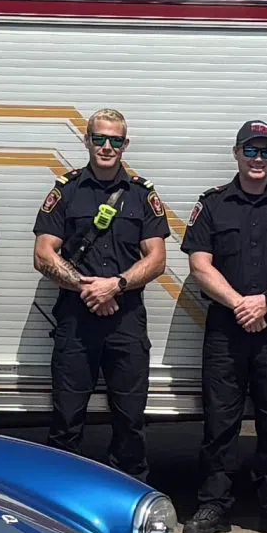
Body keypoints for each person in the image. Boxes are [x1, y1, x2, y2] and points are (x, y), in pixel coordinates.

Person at [180, 120, 267, 533]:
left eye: (266, 152)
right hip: (226, 328)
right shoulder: (213, 205)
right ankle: (212, 505)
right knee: (220, 422)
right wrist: (240, 303)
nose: (258, 160)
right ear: (236, 153)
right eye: (251, 151)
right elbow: (199, 264)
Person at [33, 110, 168, 475]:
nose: (107, 147)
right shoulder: (67, 190)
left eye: (115, 140)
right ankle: (59, 503)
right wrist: (87, 287)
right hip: (76, 319)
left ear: (125, 144)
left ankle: (129, 503)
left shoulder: (142, 194)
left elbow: (156, 258)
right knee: (66, 419)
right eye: (99, 139)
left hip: (125, 320)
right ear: (87, 140)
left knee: (130, 421)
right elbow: (43, 253)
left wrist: (116, 285)